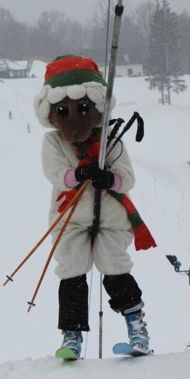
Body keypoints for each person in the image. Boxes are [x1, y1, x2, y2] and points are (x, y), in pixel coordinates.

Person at [33, 55, 156, 359]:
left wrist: (108, 179)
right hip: (71, 218)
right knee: (72, 269)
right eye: (63, 111)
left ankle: (137, 327)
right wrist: (79, 175)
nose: (74, 118)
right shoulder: (53, 142)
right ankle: (71, 335)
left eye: (84, 109)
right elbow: (54, 173)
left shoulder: (110, 141)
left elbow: (126, 178)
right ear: (52, 113)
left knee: (114, 266)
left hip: (112, 218)